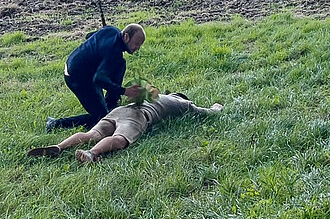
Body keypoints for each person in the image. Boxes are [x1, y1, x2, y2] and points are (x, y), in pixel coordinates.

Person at [29, 93, 223, 163]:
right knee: (121, 138)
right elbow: (207, 112)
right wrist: (217, 107)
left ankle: (60, 146)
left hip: (120, 110)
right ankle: (91, 153)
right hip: (138, 117)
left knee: (93, 133)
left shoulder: (155, 95)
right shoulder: (182, 103)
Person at [46, 24, 146, 132]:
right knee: (102, 118)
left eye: (140, 45)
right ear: (126, 37)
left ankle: (111, 104)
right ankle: (56, 123)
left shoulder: (112, 30)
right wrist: (125, 91)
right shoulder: (113, 52)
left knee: (120, 63)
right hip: (77, 77)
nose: (137, 48)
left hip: (80, 67)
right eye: (136, 44)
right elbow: (99, 80)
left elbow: (89, 35)